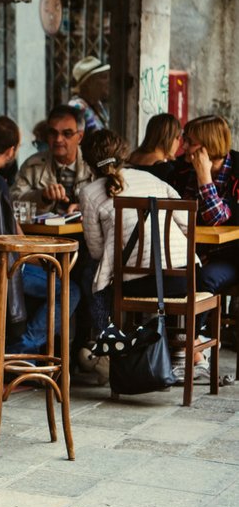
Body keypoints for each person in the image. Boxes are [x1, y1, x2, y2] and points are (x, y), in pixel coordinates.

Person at [79, 129, 208, 382]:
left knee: (92, 283)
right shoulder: (153, 181)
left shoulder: (89, 192)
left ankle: (109, 351)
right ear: (124, 154)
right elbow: (187, 224)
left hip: (140, 282)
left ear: (87, 161)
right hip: (186, 276)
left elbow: (95, 252)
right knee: (101, 281)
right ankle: (182, 349)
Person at [0, 117, 80, 358]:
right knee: (69, 289)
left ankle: (18, 349)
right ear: (10, 151)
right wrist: (45, 261)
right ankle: (19, 352)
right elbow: (15, 244)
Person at [171, 114, 239, 295]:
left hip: (231, 256)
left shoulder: (237, 171)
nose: (183, 146)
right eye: (184, 139)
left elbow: (216, 218)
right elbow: (176, 216)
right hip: (189, 253)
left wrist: (204, 177)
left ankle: (196, 324)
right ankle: (165, 323)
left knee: (203, 279)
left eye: (190, 142)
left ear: (209, 146)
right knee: (169, 276)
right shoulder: (181, 170)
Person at [11, 105, 94, 215]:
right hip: (42, 232)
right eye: (53, 133)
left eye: (67, 134)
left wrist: (83, 208)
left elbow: (110, 203)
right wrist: (42, 197)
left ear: (79, 137)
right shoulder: (33, 166)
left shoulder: (93, 165)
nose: (58, 139)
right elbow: (13, 201)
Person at [128, 113, 182, 182]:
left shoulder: (130, 157)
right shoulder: (165, 171)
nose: (179, 143)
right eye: (177, 138)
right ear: (167, 139)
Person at [68, 56, 110, 133]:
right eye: (103, 77)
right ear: (89, 82)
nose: (108, 81)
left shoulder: (98, 104)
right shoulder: (77, 107)